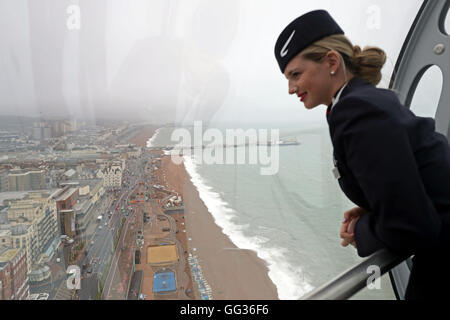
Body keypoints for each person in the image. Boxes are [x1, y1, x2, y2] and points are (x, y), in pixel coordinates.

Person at [274, 10, 450, 300]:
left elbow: (413, 227)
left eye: (296, 74)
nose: (291, 89)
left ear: (331, 62)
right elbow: (413, 175)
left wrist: (361, 231)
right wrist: (373, 207)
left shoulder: (357, 112)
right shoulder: (365, 101)